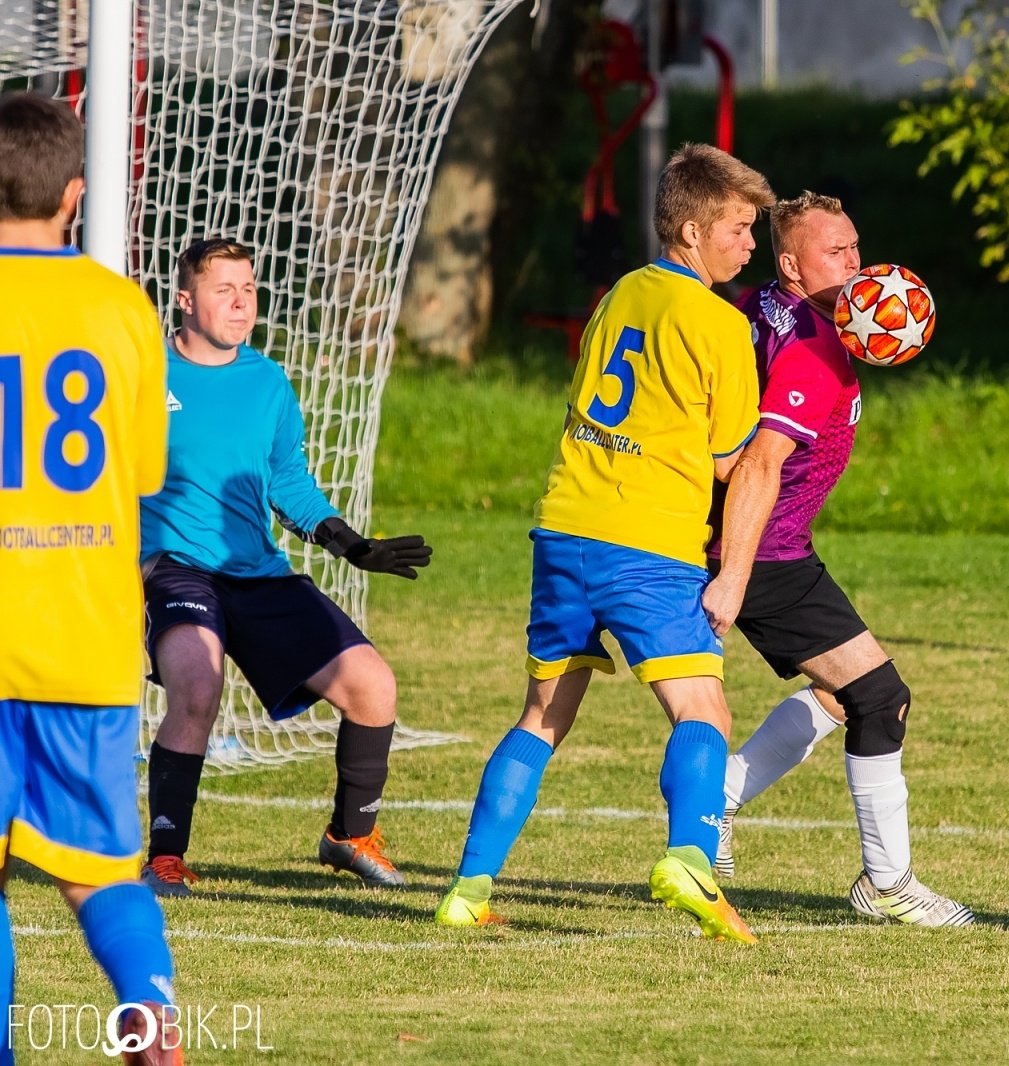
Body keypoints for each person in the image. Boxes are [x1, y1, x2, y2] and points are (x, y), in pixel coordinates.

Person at [434, 144, 771, 942]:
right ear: (691, 231)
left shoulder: (621, 293)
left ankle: (467, 888)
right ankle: (689, 859)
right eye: (738, 228)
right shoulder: (722, 326)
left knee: (544, 714)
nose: (749, 245)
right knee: (705, 709)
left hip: (563, 530)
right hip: (646, 543)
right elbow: (734, 461)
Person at [704, 192, 974, 927]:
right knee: (880, 698)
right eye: (834, 253)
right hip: (760, 551)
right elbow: (762, 462)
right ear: (791, 264)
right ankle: (886, 884)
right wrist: (733, 571)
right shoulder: (816, 351)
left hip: (774, 544)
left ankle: (719, 798)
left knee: (841, 695)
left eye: (855, 248)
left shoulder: (764, 306)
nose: (857, 266)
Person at [138, 238, 432, 897]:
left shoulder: (267, 382)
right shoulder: (142, 373)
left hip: (258, 573)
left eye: (249, 289)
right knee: (197, 682)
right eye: (224, 289)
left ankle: (349, 836)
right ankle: (164, 857)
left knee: (373, 686)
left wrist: (352, 545)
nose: (241, 302)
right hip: (177, 569)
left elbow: (290, 484)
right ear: (185, 300)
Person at [0, 91, 184, 1064]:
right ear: (74, 194)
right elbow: (144, 476)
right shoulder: (122, 309)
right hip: (83, 639)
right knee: (105, 873)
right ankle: (150, 1023)